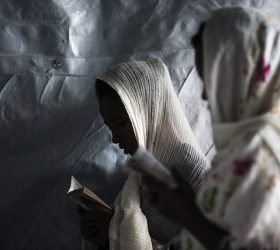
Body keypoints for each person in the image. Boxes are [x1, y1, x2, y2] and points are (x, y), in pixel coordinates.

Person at [142, 7, 280, 250]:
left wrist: (187, 214)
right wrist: (191, 205)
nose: (206, 95)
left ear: (247, 76)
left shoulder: (265, 155)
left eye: (214, 81)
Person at [79, 59, 209, 250]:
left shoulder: (191, 170)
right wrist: (105, 236)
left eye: (121, 124)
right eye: (110, 127)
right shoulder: (140, 175)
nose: (115, 138)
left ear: (146, 113)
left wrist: (114, 232)